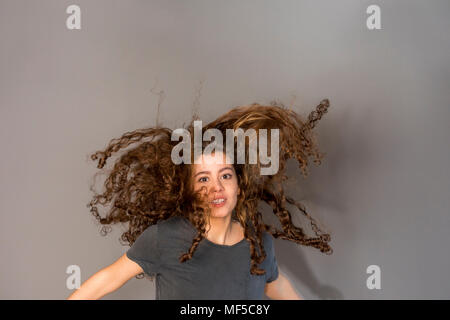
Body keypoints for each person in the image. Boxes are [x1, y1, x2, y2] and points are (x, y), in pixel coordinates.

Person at [67, 99, 333, 300]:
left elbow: (278, 285)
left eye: (225, 176)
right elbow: (107, 279)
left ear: (240, 185)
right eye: (204, 179)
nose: (216, 188)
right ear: (189, 189)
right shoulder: (163, 238)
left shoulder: (260, 245)